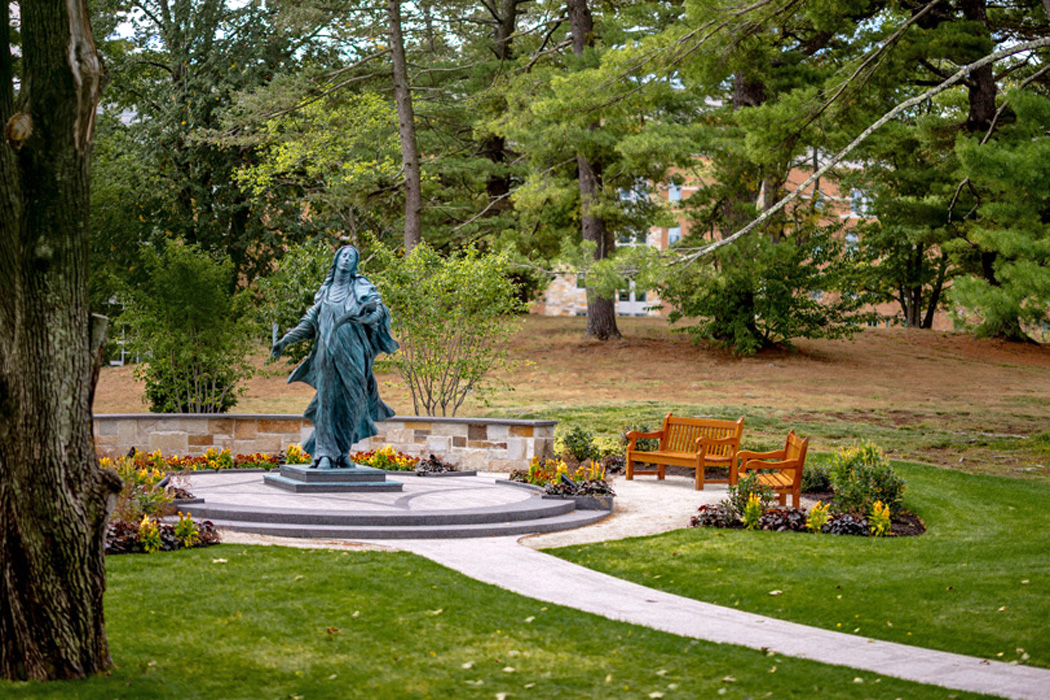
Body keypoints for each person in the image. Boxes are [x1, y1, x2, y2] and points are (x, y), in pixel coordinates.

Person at [271, 246, 399, 469]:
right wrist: (285, 341)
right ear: (337, 259)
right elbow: (309, 321)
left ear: (355, 263)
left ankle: (342, 453)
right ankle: (324, 454)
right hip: (327, 353)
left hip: (355, 353)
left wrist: (371, 317)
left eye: (352, 256)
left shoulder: (361, 287)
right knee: (327, 402)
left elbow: (379, 310)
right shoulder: (326, 291)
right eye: (344, 255)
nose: (347, 259)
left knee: (353, 403)